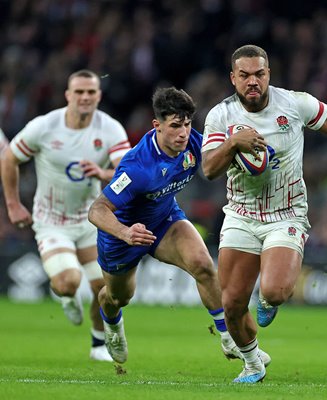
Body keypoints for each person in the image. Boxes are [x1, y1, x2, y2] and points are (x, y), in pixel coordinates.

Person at [202, 44, 327, 383]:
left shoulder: (294, 103)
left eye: (259, 74)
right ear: (233, 78)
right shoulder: (221, 116)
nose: (252, 82)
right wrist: (233, 144)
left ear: (268, 74)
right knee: (231, 304)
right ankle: (253, 363)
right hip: (241, 215)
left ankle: (269, 301)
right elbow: (209, 169)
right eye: (244, 75)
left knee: (275, 291)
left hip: (286, 214)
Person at [87, 87, 257, 367]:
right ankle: (113, 325)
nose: (183, 133)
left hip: (165, 220)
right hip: (124, 235)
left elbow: (216, 160)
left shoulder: (192, 144)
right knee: (118, 296)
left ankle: (229, 339)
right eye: (176, 126)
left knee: (203, 265)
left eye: (188, 124)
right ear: (157, 126)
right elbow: (97, 210)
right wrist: (125, 233)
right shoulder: (137, 167)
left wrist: (237, 144)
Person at [1, 70, 131, 361]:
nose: (85, 97)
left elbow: (127, 173)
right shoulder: (45, 126)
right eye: (79, 92)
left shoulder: (110, 128)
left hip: (91, 221)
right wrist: (12, 204)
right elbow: (9, 157)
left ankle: (98, 344)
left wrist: (103, 173)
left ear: (98, 96)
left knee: (105, 289)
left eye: (91, 92)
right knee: (68, 282)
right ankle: (66, 295)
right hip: (51, 221)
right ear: (68, 95)